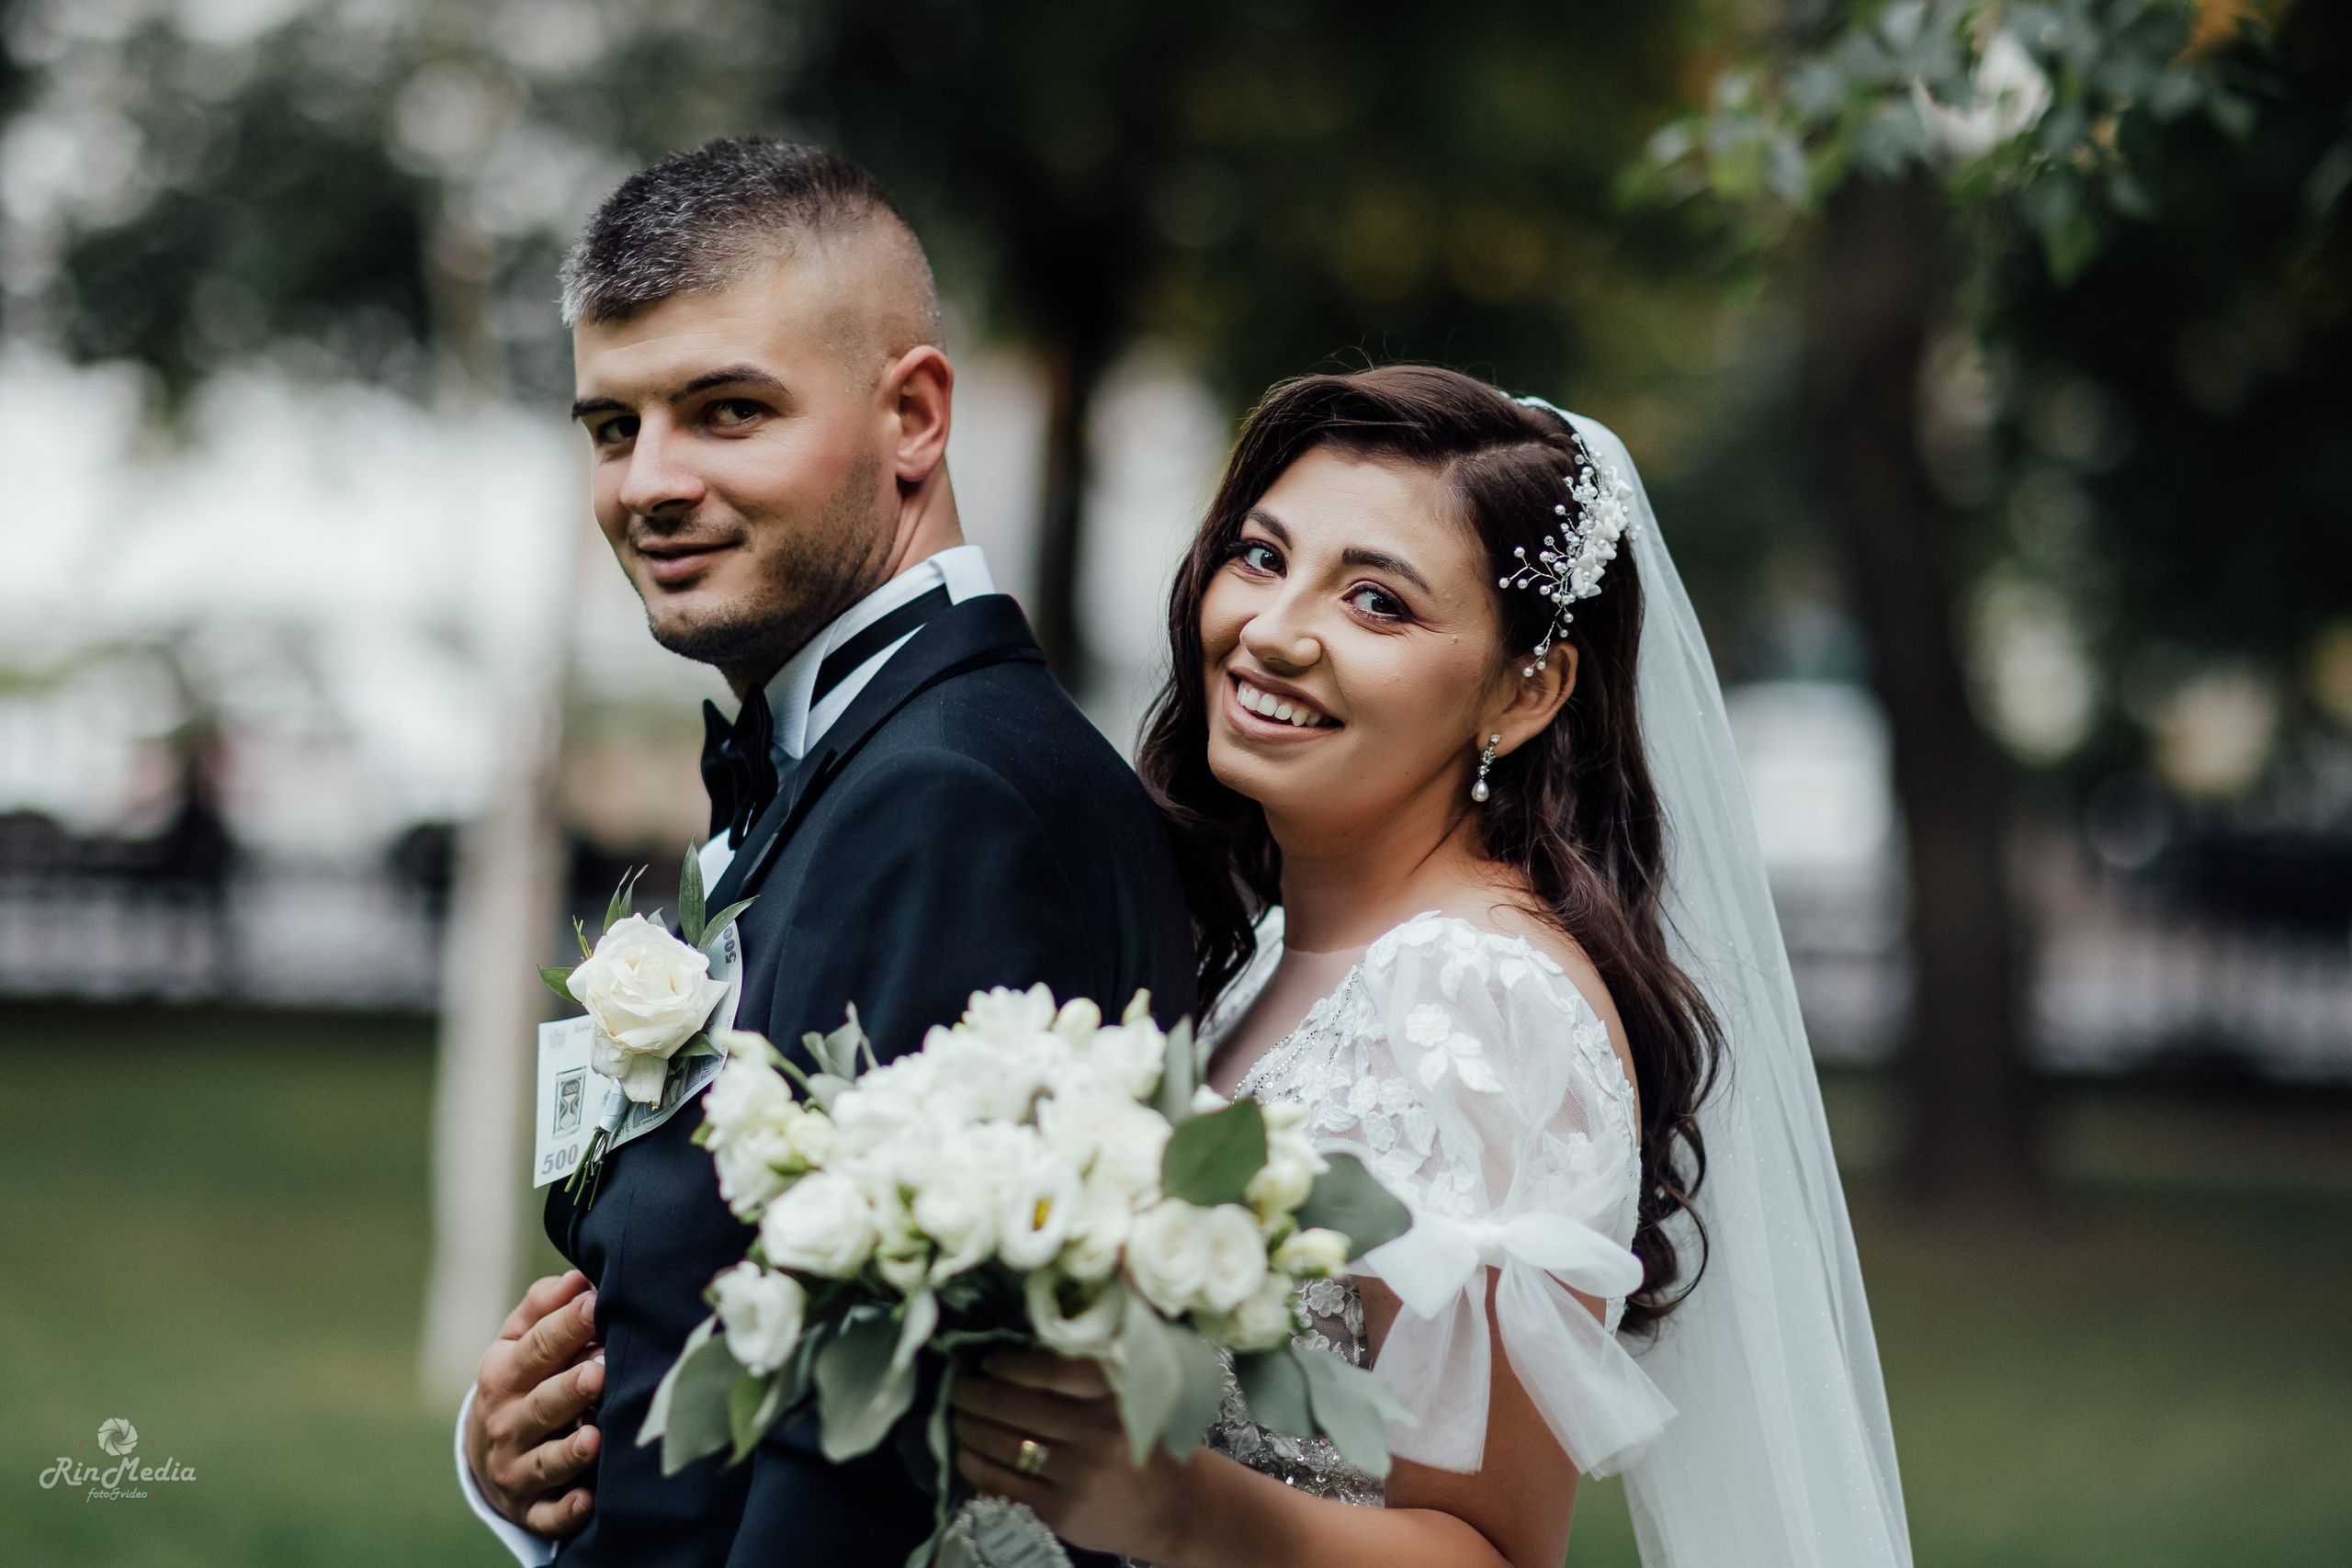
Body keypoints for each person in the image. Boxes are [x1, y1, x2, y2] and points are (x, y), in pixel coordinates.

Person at [943, 367, 1913, 1568]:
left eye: (1378, 604)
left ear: (1525, 690)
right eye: (1260, 556)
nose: (1273, 630)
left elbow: (1493, 1550)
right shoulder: (1265, 962)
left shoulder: (1476, 1001)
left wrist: (1177, 1508)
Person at [455, 138, 1197, 1568]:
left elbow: (873, 1441)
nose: (647, 484)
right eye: (612, 429)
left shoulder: (953, 797)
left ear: (914, 416)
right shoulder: (857, 758)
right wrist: (526, 1476)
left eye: (726, 411)